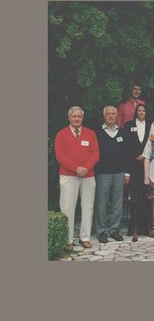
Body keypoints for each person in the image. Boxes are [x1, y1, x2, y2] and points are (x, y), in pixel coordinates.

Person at [55, 106, 100, 250]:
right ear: (69, 118)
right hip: (68, 175)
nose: (76, 119)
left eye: (79, 116)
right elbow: (60, 155)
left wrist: (85, 168)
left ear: (82, 118)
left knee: (88, 206)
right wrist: (76, 168)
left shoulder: (90, 133)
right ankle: (68, 240)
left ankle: (84, 237)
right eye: (74, 116)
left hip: (88, 175)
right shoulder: (61, 134)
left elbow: (95, 153)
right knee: (67, 207)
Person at [93, 106, 130, 243]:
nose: (110, 116)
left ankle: (114, 229)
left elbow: (127, 154)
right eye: (108, 114)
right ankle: (102, 231)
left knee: (117, 204)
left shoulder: (123, 133)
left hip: (119, 173)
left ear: (116, 116)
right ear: (104, 116)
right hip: (102, 174)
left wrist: (127, 173)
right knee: (101, 204)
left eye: (113, 114)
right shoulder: (98, 133)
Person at [124, 103, 151, 240]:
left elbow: (153, 142)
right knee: (134, 198)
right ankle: (132, 228)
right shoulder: (129, 125)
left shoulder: (151, 125)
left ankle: (145, 227)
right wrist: (127, 172)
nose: (141, 112)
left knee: (146, 198)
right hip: (133, 165)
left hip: (147, 166)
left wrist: (145, 155)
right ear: (136, 112)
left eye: (143, 110)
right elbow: (127, 146)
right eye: (139, 110)